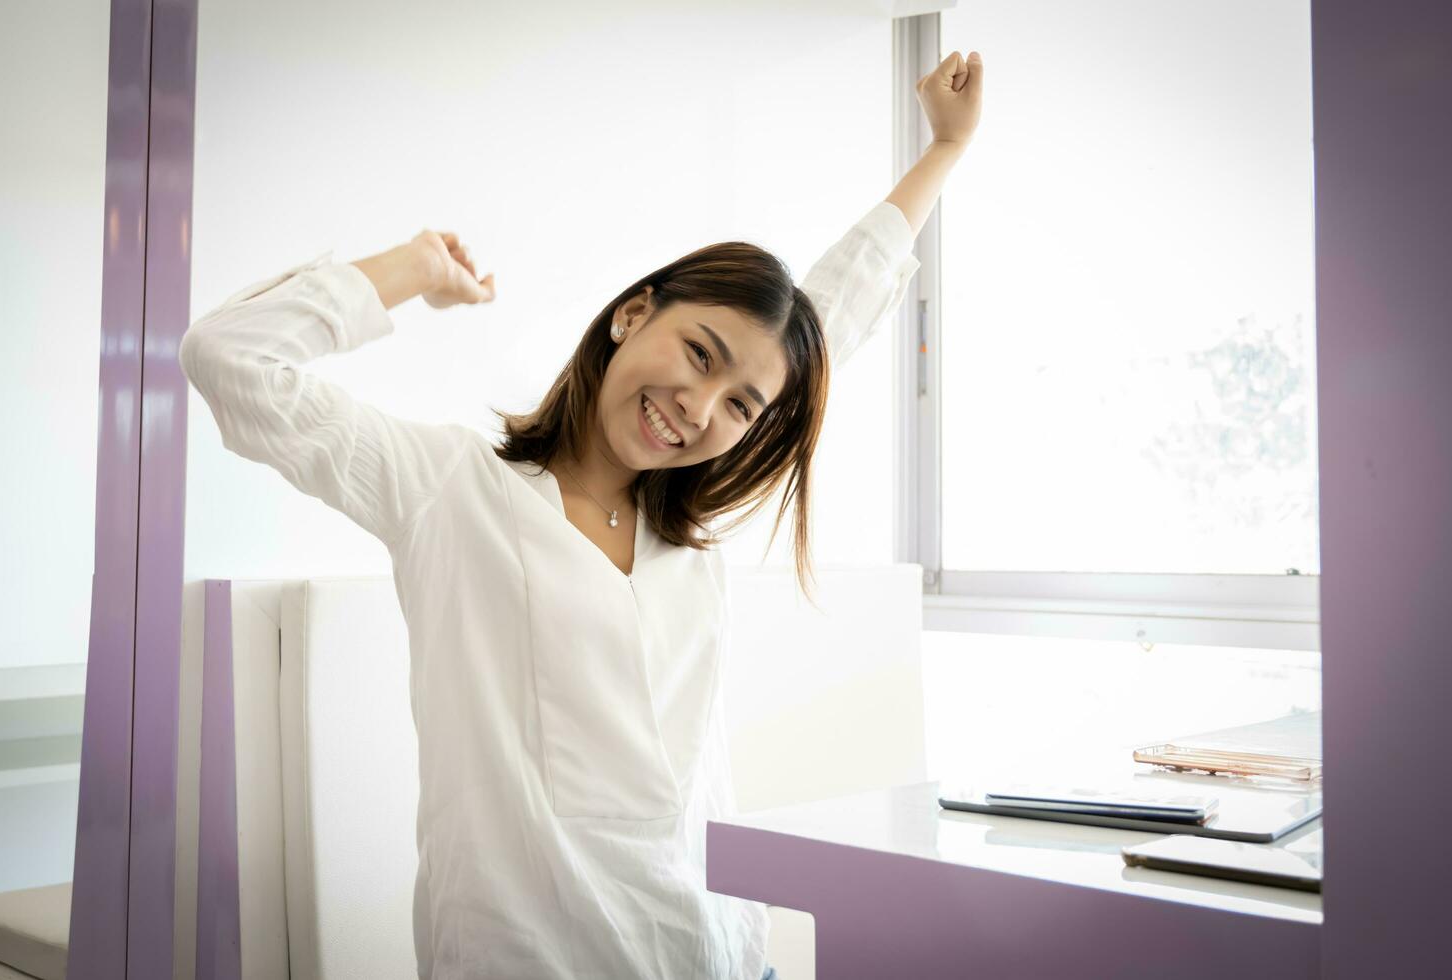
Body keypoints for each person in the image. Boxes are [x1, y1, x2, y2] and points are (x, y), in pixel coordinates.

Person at [179, 47, 982, 980]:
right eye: (697, 352)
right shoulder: (449, 487)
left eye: (738, 405)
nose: (699, 405)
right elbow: (228, 358)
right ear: (631, 314)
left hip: (720, 956)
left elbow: (831, 315)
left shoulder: (686, 533)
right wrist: (410, 268)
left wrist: (945, 150)